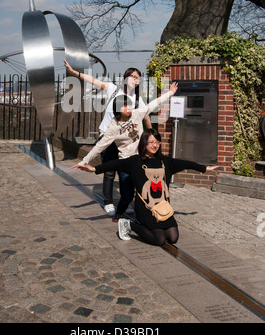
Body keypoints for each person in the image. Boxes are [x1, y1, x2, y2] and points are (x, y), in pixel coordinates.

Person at [75, 129, 218, 246]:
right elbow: (114, 164)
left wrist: (204, 169)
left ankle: (140, 226)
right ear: (144, 144)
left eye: (157, 142)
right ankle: (129, 224)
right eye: (151, 142)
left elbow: (186, 164)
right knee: (159, 240)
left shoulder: (165, 161)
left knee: (173, 238)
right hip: (145, 207)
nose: (155, 145)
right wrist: (94, 169)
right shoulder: (135, 162)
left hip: (163, 207)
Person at [72, 84, 178, 220]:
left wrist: (170, 93)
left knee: (144, 191)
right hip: (126, 162)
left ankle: (146, 216)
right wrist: (84, 161)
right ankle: (118, 214)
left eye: (130, 105)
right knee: (127, 193)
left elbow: (153, 104)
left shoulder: (137, 114)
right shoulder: (113, 126)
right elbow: (100, 146)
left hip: (142, 159)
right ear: (118, 109)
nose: (129, 108)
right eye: (125, 106)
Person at [64, 59, 151, 216]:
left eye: (138, 78)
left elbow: (145, 116)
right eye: (133, 76)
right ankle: (108, 202)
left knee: (126, 170)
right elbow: (94, 81)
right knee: (109, 170)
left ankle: (125, 201)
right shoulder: (113, 89)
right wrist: (74, 73)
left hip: (125, 140)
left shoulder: (138, 99)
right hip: (108, 135)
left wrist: (151, 134)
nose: (135, 80)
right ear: (126, 78)